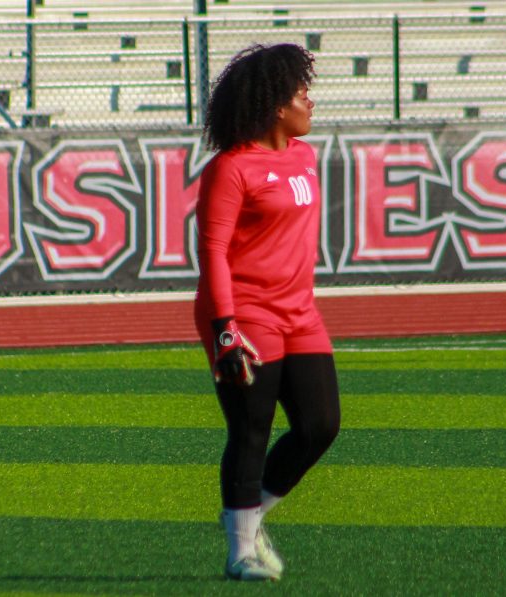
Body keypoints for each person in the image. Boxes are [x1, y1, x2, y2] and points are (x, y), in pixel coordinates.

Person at [194, 42, 340, 582]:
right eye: (301, 92)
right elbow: (211, 251)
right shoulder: (230, 169)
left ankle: (246, 516)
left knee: (320, 425)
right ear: (275, 105)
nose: (310, 99)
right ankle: (239, 552)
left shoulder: (304, 155)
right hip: (244, 313)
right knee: (251, 429)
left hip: (300, 312)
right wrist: (224, 329)